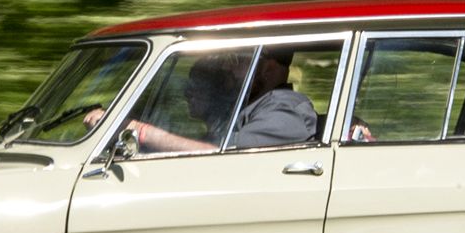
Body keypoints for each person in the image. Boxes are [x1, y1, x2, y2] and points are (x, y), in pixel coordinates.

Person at [87, 49, 319, 153]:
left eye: (237, 59)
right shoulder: (247, 106)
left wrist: (139, 130)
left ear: (267, 69)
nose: (227, 67)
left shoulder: (285, 107)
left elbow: (222, 154)